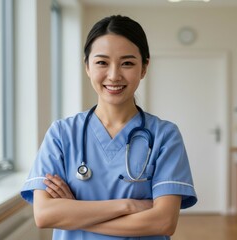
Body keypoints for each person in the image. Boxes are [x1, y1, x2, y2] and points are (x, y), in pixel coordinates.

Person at [21, 15, 197, 240]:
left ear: (144, 67)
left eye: (127, 63)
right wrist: (128, 206)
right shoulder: (62, 134)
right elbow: (45, 215)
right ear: (87, 66)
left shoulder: (164, 136)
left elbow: (163, 221)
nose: (114, 75)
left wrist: (75, 213)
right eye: (102, 62)